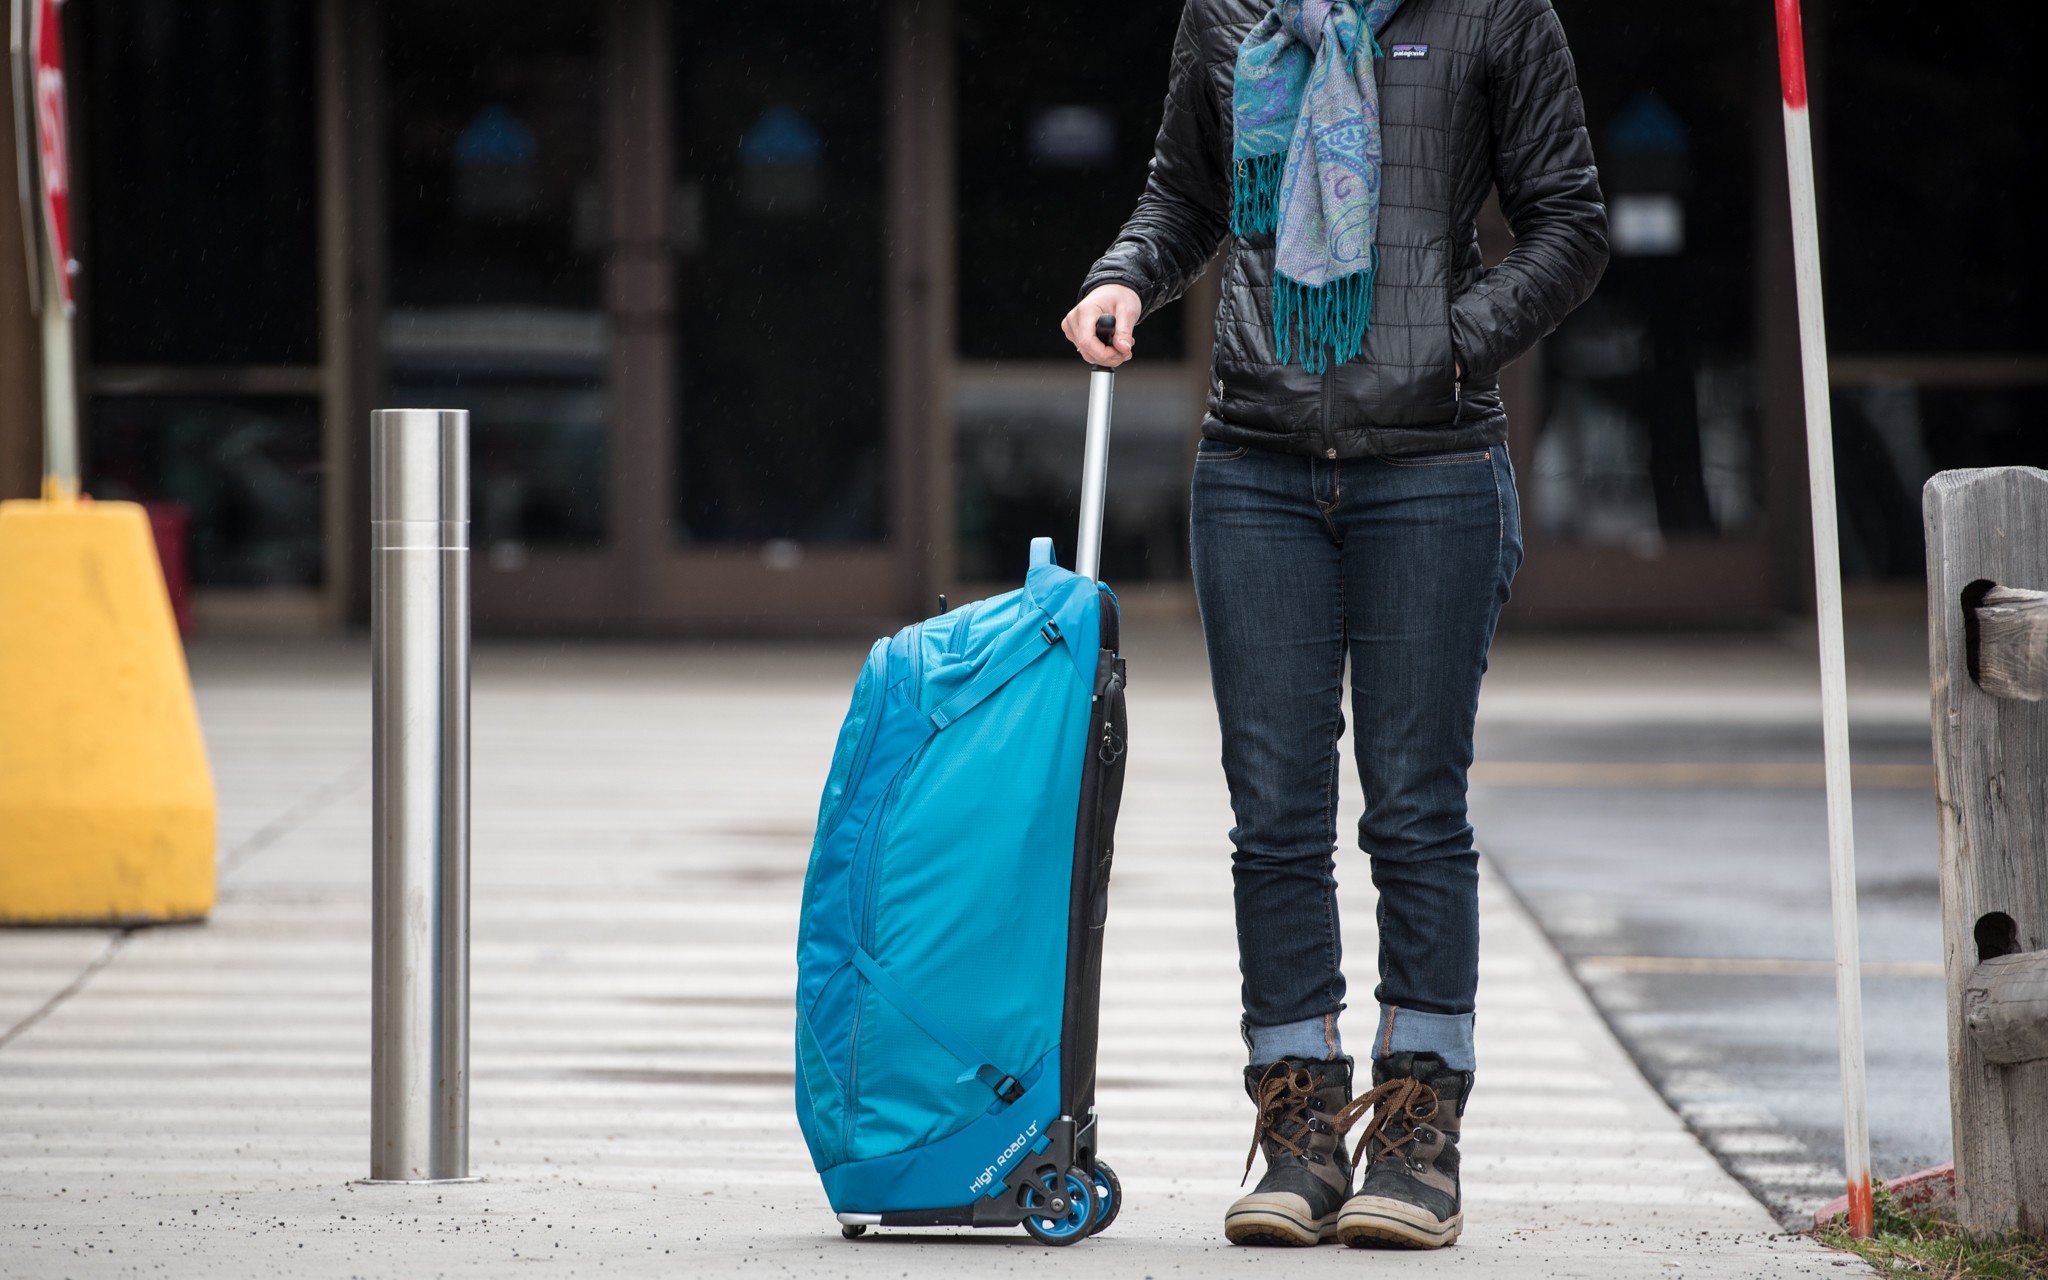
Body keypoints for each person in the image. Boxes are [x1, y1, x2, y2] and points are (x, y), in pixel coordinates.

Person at [1061, 0, 1607, 1251]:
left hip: (1432, 464)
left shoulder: (1492, 12)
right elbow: (1184, 193)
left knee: (1413, 809)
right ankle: (1298, 1124)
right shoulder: (1227, 13)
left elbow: (1568, 224)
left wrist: (1451, 342)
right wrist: (1123, 273)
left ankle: (1415, 1129)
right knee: (1273, 817)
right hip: (1252, 463)